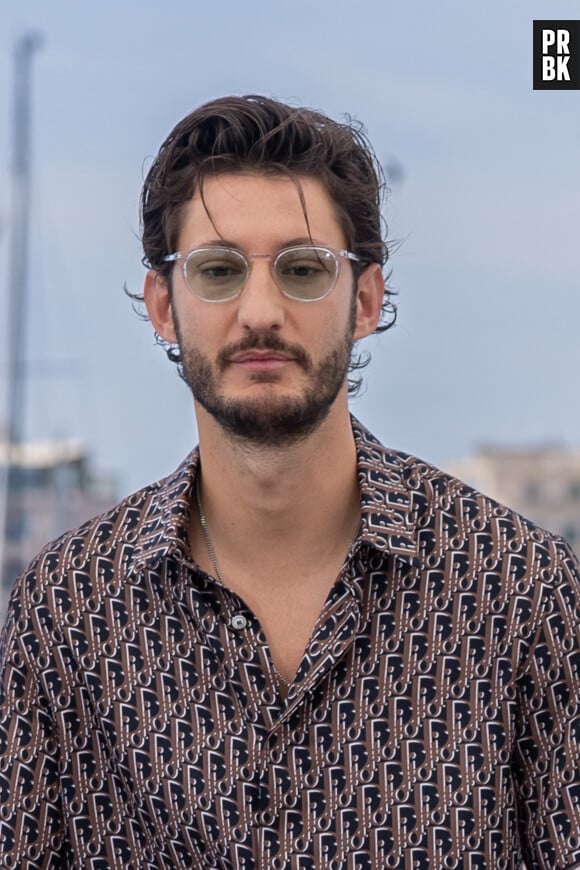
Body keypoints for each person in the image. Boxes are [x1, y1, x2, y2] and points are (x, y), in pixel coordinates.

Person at [0, 95, 578, 870]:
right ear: (163, 306)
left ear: (365, 299)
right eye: (218, 271)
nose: (261, 311)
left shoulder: (522, 591)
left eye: (303, 269)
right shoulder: (67, 612)